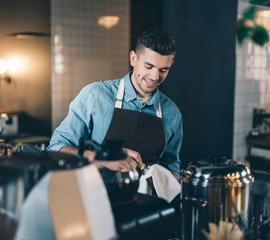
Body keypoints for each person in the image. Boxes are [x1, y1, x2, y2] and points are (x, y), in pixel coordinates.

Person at [47, 26, 183, 181]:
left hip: (144, 203)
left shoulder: (172, 113)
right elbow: (56, 148)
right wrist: (101, 158)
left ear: (171, 64)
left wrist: (157, 179)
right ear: (133, 58)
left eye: (163, 70)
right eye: (149, 66)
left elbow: (172, 169)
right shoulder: (96, 95)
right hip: (93, 199)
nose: (154, 76)